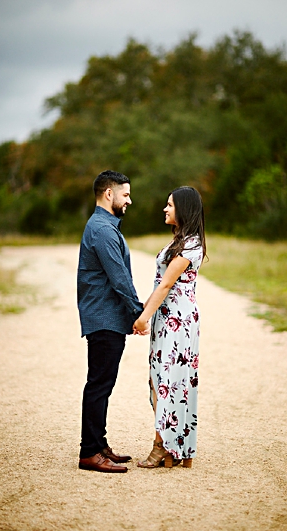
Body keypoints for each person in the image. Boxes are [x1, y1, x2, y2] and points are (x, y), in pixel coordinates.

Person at [134, 186, 206, 469]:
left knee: (169, 381)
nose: (165, 209)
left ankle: (162, 445)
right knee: (161, 378)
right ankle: (175, 444)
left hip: (179, 321)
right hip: (167, 319)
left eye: (170, 205)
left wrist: (143, 317)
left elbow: (166, 284)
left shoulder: (192, 245)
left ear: (184, 210)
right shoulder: (180, 241)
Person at [77, 170, 144, 473]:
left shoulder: (104, 226)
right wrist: (138, 313)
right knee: (99, 385)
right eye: (126, 194)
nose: (130, 200)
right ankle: (90, 453)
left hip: (108, 318)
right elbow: (119, 278)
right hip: (105, 318)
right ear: (109, 194)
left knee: (103, 384)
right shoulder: (102, 229)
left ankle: (99, 444)